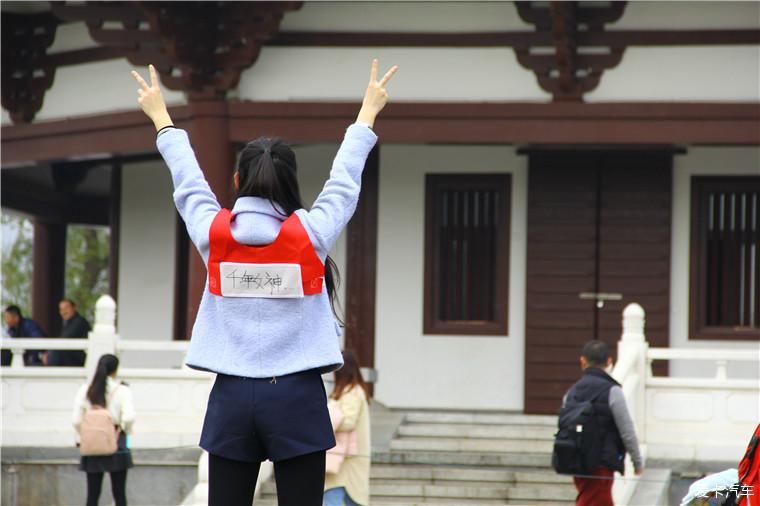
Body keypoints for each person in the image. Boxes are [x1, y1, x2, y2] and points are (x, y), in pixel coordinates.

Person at [130, 58, 397, 506]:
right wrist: (367, 113)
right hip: (296, 394)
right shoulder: (309, 235)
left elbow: (188, 183)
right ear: (290, 183)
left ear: (237, 180)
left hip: (232, 394)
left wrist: (162, 118)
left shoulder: (214, 234)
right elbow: (344, 182)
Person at [563, 340, 644, 506]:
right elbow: (626, 430)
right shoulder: (612, 391)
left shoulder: (572, 392)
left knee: (593, 498)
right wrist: (637, 461)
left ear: (582, 361)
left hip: (577, 460)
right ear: (609, 361)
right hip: (602, 462)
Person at [72, 354, 135, 506]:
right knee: (119, 494)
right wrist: (123, 430)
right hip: (116, 442)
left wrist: (84, 435)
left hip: (93, 444)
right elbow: (128, 418)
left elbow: (75, 420)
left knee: (93, 495)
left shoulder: (85, 390)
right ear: (115, 370)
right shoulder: (122, 390)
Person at [324, 350, 372, 506]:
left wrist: (327, 418)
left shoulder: (352, 392)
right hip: (341, 459)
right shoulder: (348, 391)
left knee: (336, 498)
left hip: (348, 460)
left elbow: (348, 422)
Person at [47, 298, 90, 366]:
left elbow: (65, 338)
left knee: (55, 352)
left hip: (78, 360)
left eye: (66, 308)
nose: (64, 312)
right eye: (61, 309)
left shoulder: (79, 322)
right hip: (68, 358)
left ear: (74, 308)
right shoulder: (68, 323)